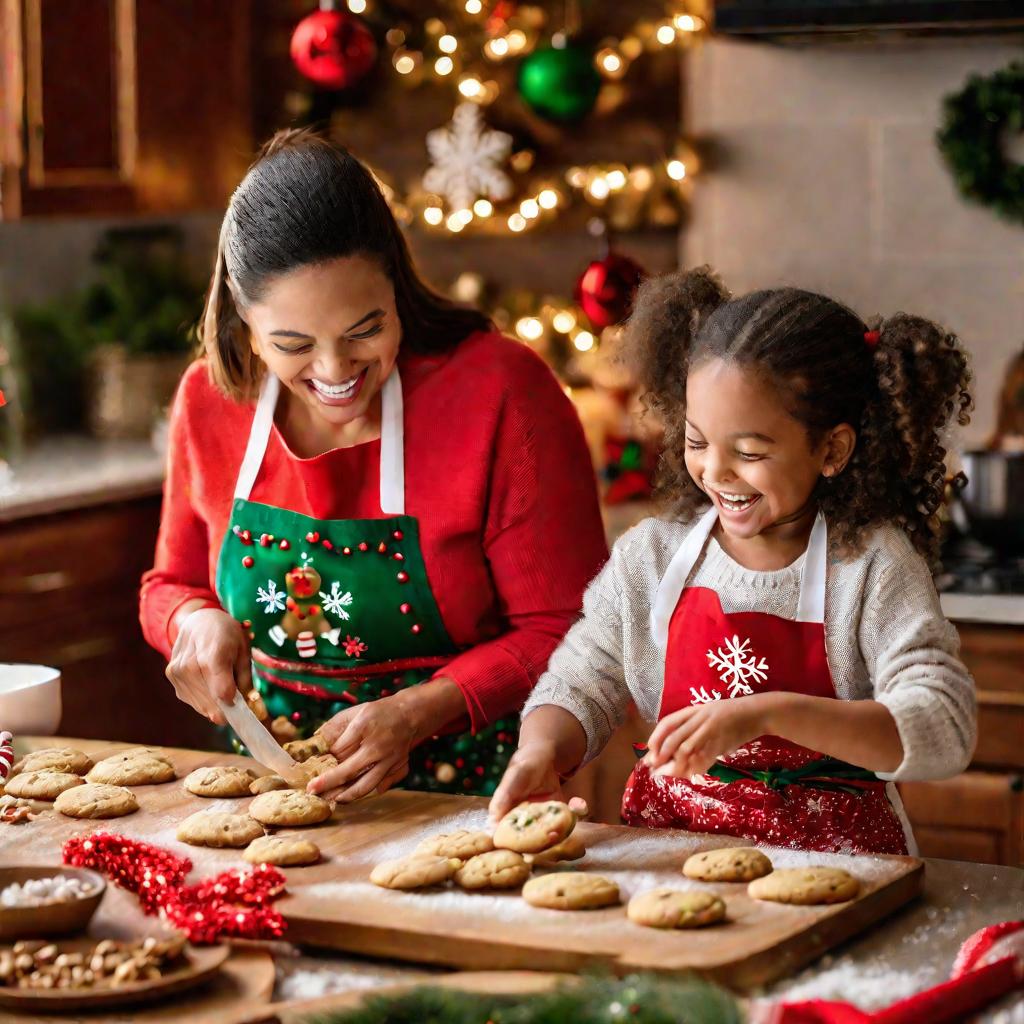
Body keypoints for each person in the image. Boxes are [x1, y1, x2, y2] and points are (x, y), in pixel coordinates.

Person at [140, 129, 607, 804]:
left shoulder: (501, 392)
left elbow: (570, 627)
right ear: (244, 322)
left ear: (395, 280)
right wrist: (192, 622)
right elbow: (168, 583)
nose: (334, 372)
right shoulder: (209, 400)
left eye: (365, 329)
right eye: (293, 344)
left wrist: (419, 711)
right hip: (269, 799)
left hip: (474, 801)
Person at [490, 267, 977, 855]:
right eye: (697, 442)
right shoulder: (652, 556)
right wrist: (540, 751)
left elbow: (943, 726)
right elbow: (579, 680)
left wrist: (765, 715)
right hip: (670, 854)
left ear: (832, 449)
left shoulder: (870, 566)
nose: (715, 474)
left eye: (748, 452)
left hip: (838, 866)